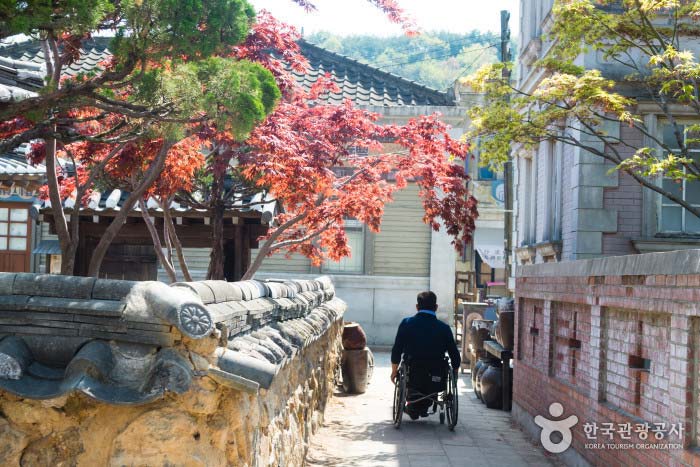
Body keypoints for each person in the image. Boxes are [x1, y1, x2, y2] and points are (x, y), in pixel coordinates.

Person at [390, 291, 461, 419]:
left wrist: (394, 371)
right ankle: (421, 406)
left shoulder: (406, 324)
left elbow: (396, 350)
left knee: (413, 378)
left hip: (412, 373)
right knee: (434, 379)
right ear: (436, 307)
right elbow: (455, 356)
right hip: (437, 376)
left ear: (417, 307)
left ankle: (414, 407)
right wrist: (455, 374)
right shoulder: (444, 328)